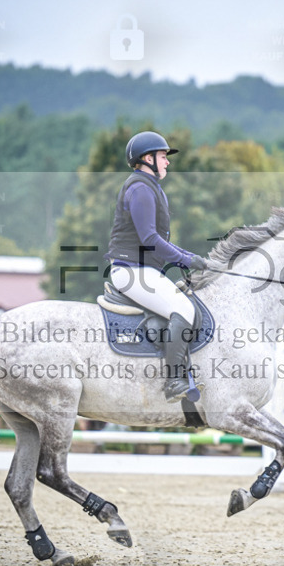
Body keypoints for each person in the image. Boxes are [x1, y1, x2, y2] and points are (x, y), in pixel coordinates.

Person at [104, 131, 212, 402]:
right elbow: (149, 238)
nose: (167, 162)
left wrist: (191, 257)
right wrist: (187, 259)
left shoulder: (148, 187)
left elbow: (158, 241)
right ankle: (175, 380)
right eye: (163, 157)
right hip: (131, 271)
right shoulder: (140, 188)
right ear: (147, 158)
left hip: (142, 270)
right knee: (183, 309)